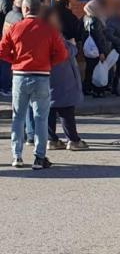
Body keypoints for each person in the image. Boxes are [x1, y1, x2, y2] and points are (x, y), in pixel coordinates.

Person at [0, 0, 67, 169]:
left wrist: (15, 60)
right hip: (42, 75)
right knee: (40, 118)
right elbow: (62, 54)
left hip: (20, 75)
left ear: (25, 9)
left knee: (18, 117)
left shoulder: (15, 28)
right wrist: (47, 62)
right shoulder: (49, 29)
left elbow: (2, 51)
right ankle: (39, 157)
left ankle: (17, 156)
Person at [44, 8, 87, 151]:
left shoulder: (39, 33)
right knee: (66, 110)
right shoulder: (53, 34)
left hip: (47, 75)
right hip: (61, 75)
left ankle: (51, 139)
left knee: (50, 109)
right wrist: (73, 46)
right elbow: (66, 52)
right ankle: (73, 140)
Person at [82, 0, 112, 97]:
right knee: (98, 69)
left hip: (88, 49)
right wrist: (101, 52)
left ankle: (88, 88)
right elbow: (98, 37)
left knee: (90, 69)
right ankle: (98, 90)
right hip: (97, 49)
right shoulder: (95, 20)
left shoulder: (85, 18)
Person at [0, 0, 18, 96]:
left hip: (3, 35)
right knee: (5, 63)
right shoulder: (7, 3)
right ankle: (4, 87)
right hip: (5, 35)